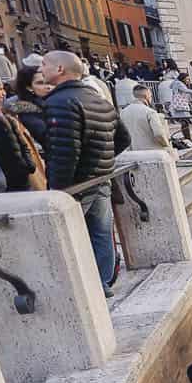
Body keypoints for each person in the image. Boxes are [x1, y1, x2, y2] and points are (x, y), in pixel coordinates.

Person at [41, 51, 130, 288]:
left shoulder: (60, 102)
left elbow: (65, 151)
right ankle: (103, 286)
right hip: (101, 180)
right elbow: (123, 138)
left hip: (76, 185)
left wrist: (58, 191)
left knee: (70, 240)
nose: (41, 69)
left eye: (44, 64)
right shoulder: (99, 100)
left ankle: (88, 291)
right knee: (101, 236)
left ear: (60, 69)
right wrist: (102, 163)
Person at [7, 64, 51, 147]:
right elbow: (46, 137)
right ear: (29, 87)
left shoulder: (53, 101)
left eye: (48, 82)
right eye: (40, 83)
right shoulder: (27, 109)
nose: (48, 86)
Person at [122, 84, 171, 151]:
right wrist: (166, 145)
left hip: (133, 153)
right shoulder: (150, 112)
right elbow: (159, 134)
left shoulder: (123, 112)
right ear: (146, 96)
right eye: (150, 96)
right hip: (152, 151)